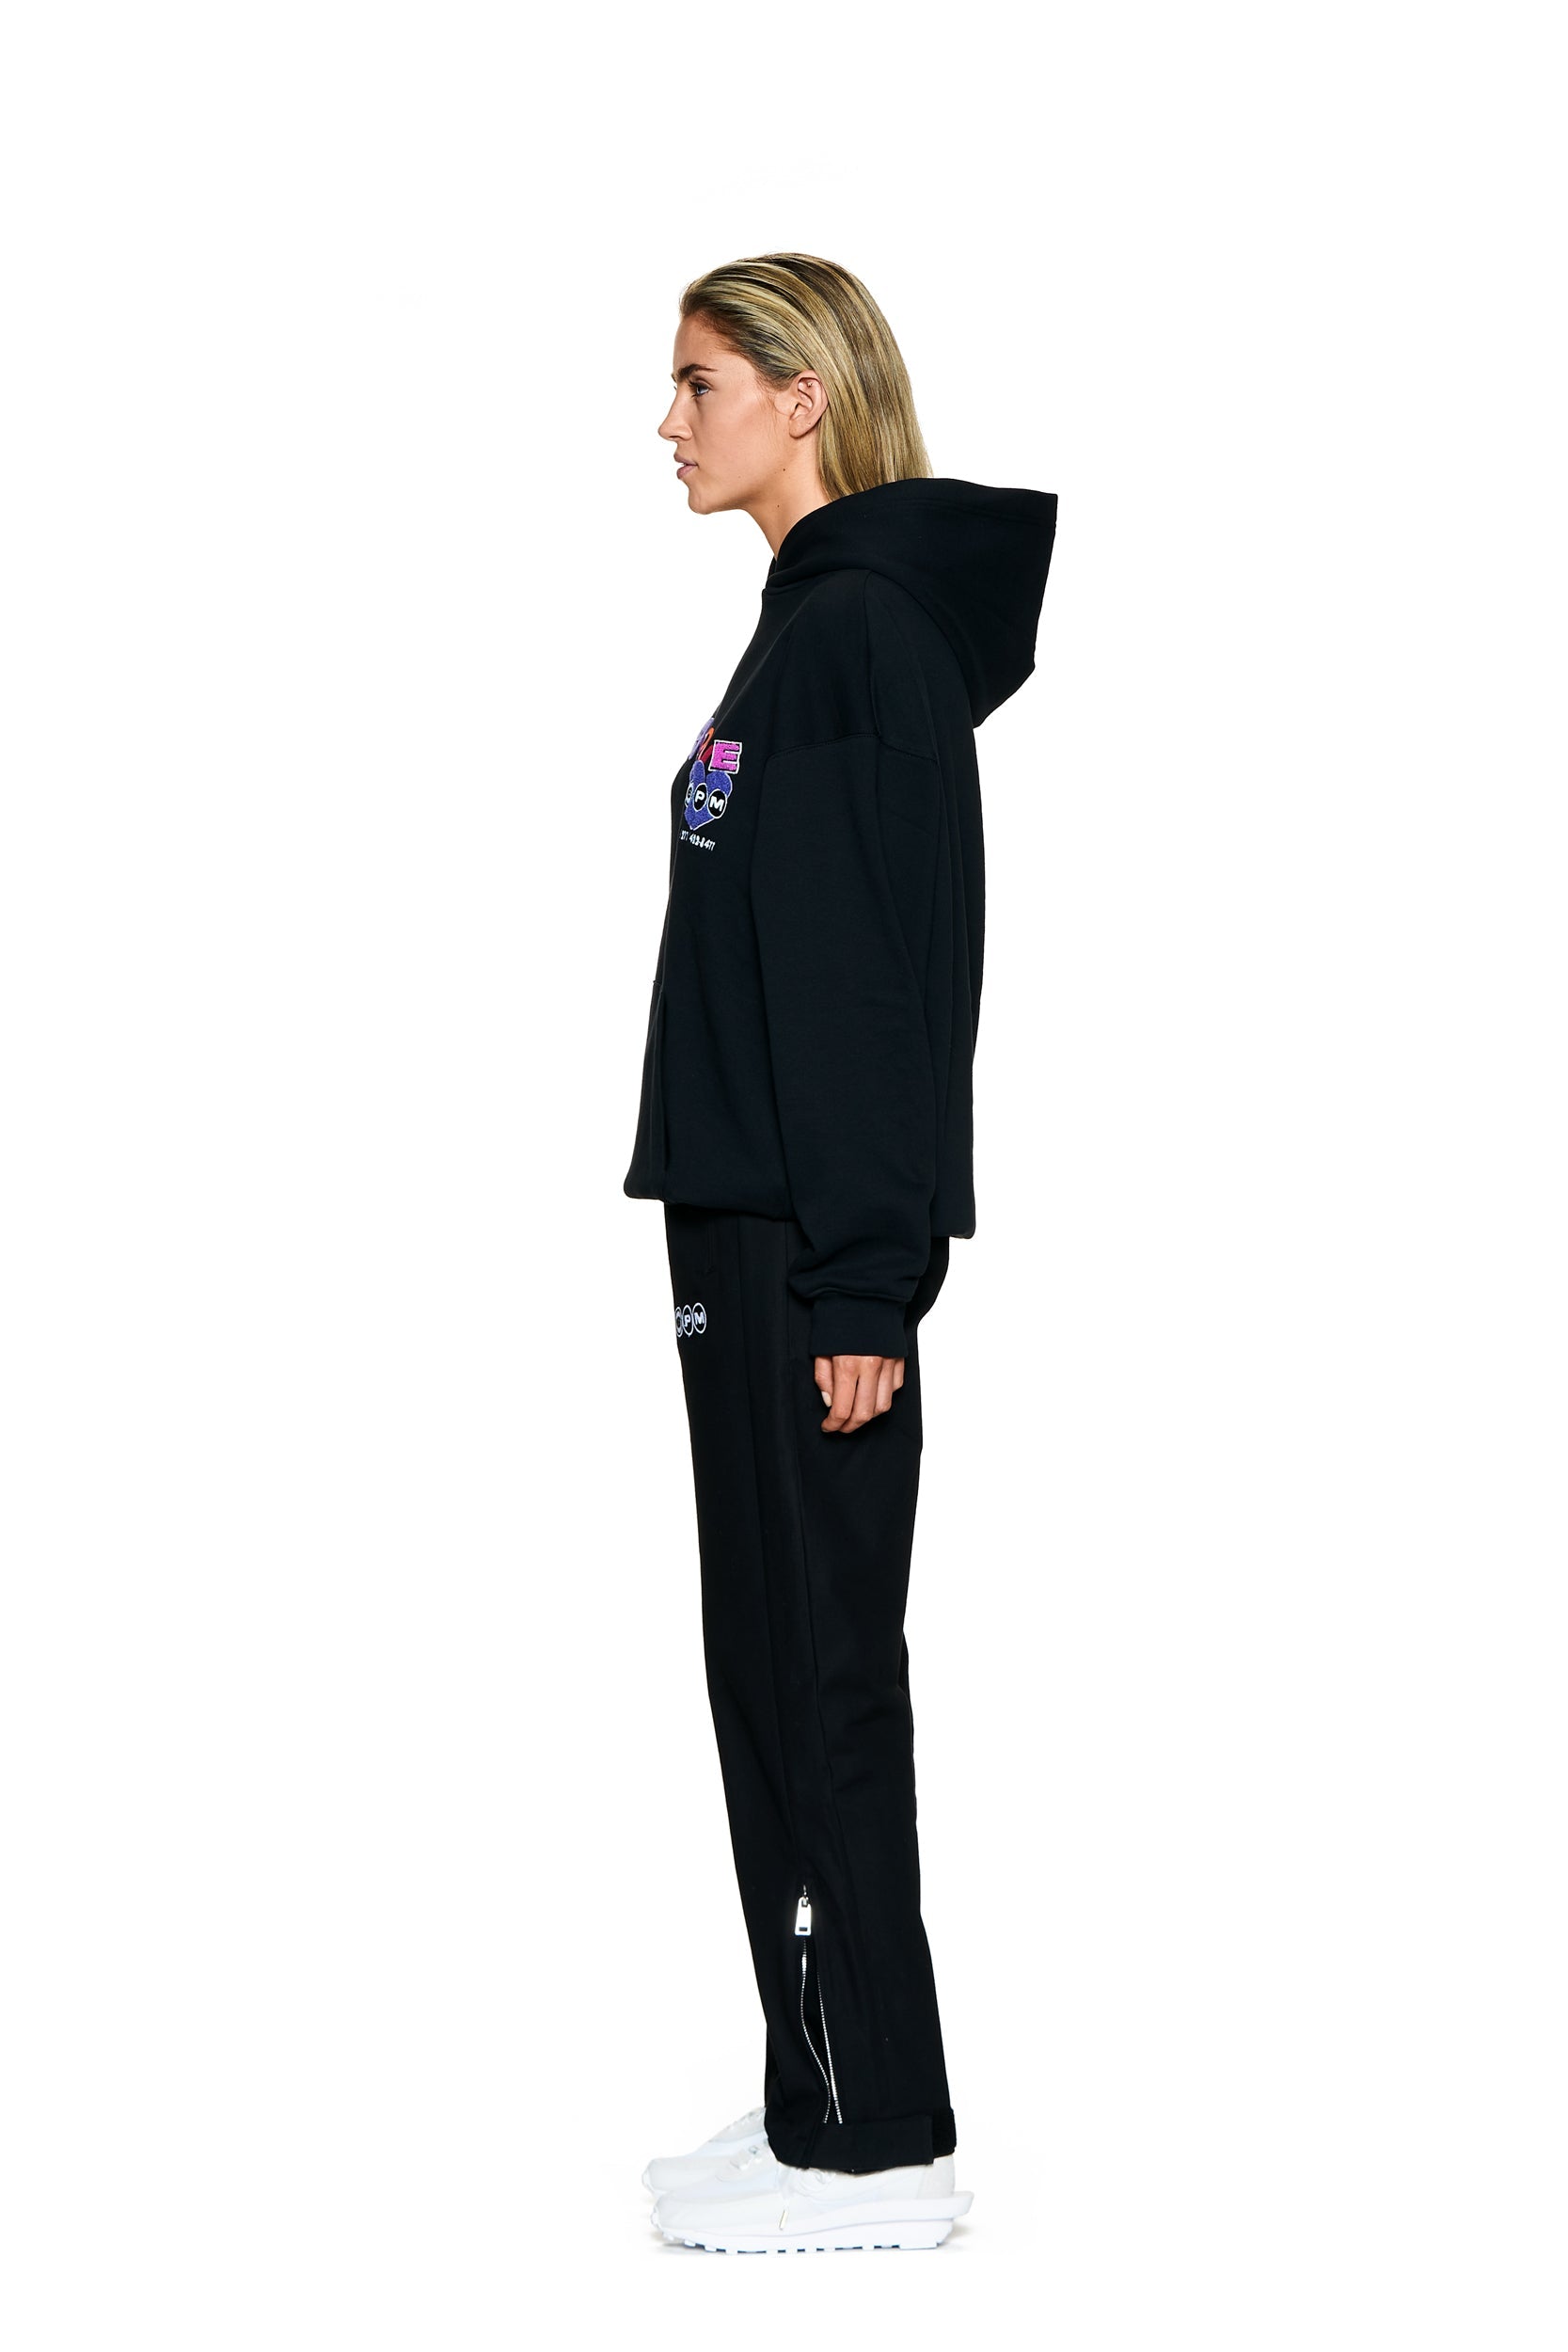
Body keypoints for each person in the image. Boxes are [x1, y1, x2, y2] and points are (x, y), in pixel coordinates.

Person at [623, 252, 1057, 2254]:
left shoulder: (860, 633)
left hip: (814, 1242)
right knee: (769, 1656)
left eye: (700, 380)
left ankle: (880, 2141)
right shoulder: (807, 627)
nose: (668, 421)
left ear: (802, 397)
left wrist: (870, 1278)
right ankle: (820, 2092)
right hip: (756, 1218)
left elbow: (882, 983)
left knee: (816, 1664)